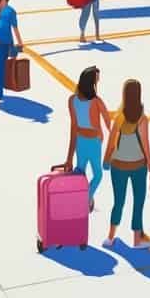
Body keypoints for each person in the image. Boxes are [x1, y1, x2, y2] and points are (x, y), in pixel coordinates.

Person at [102, 79, 150, 250]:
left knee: (118, 202)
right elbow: (146, 147)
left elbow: (111, 143)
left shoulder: (119, 118)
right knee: (138, 202)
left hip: (118, 166)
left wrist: (106, 160)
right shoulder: (143, 120)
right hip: (138, 166)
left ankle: (110, 237)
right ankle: (137, 240)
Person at [64, 67, 111, 212]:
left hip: (80, 141)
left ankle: (80, 199)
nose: (98, 82)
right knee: (98, 175)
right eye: (97, 80)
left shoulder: (72, 100)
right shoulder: (97, 101)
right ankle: (86, 199)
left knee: (80, 170)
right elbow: (109, 122)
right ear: (92, 83)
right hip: (94, 142)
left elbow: (73, 127)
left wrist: (69, 158)